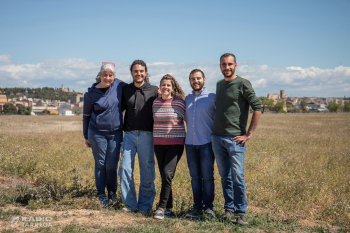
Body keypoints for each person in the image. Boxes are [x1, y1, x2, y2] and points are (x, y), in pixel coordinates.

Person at [211, 53, 262, 226]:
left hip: (235, 139)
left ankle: (241, 213)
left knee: (238, 176)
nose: (227, 67)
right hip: (217, 138)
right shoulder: (219, 84)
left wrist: (249, 134)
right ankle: (228, 209)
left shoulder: (243, 83)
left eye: (230, 64)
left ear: (236, 65)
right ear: (220, 66)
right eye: (224, 64)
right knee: (225, 176)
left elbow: (258, 107)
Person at [83, 62, 127, 207]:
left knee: (112, 165)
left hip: (116, 133)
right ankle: (101, 195)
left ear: (114, 76)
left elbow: (135, 89)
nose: (108, 78)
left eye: (110, 75)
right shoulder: (91, 94)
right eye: (105, 75)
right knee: (100, 164)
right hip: (97, 133)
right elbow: (86, 115)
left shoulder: (119, 86)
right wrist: (86, 136)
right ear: (100, 75)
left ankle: (112, 194)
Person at [118, 60, 159, 213]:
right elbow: (117, 108)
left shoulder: (154, 90)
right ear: (131, 73)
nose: (138, 73)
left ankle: (145, 206)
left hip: (147, 136)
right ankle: (130, 205)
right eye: (135, 71)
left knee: (147, 171)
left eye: (141, 71)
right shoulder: (125, 90)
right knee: (124, 169)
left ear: (146, 72)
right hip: (128, 135)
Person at [152, 74, 186, 220]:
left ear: (172, 88)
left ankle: (161, 208)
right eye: (163, 85)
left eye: (168, 85)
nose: (166, 87)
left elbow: (188, 120)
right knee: (165, 177)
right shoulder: (155, 103)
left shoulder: (179, 103)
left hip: (176, 144)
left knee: (167, 174)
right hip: (158, 144)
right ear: (159, 87)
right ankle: (169, 208)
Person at [184, 69, 216, 218]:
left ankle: (208, 208)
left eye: (198, 78)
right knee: (195, 177)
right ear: (189, 81)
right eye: (192, 79)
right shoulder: (187, 99)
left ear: (204, 79)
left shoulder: (212, 98)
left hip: (207, 143)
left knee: (208, 177)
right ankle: (196, 207)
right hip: (189, 143)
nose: (195, 81)